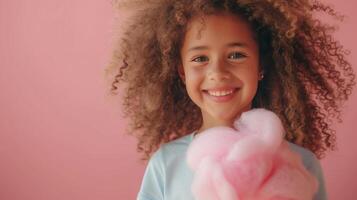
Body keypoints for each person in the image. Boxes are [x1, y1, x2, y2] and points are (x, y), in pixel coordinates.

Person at [106, 0, 356, 199]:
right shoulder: (166, 164)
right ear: (182, 72)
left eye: (236, 55)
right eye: (200, 58)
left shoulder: (302, 164)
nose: (217, 73)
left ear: (261, 65)